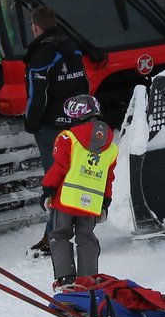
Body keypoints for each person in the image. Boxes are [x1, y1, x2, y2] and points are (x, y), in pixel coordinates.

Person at [23, 5, 89, 258]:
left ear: (35, 26)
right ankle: (71, 230)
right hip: (76, 123)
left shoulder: (42, 53)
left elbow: (37, 94)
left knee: (55, 182)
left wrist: (31, 122)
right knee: (73, 177)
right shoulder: (72, 46)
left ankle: (54, 236)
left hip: (52, 127)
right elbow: (84, 84)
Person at [41, 94, 117, 291]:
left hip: (66, 200)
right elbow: (108, 177)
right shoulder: (111, 146)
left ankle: (66, 280)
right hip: (91, 202)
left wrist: (47, 190)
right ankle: (88, 281)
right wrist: (105, 203)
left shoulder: (68, 138)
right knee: (86, 238)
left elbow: (59, 168)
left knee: (59, 235)